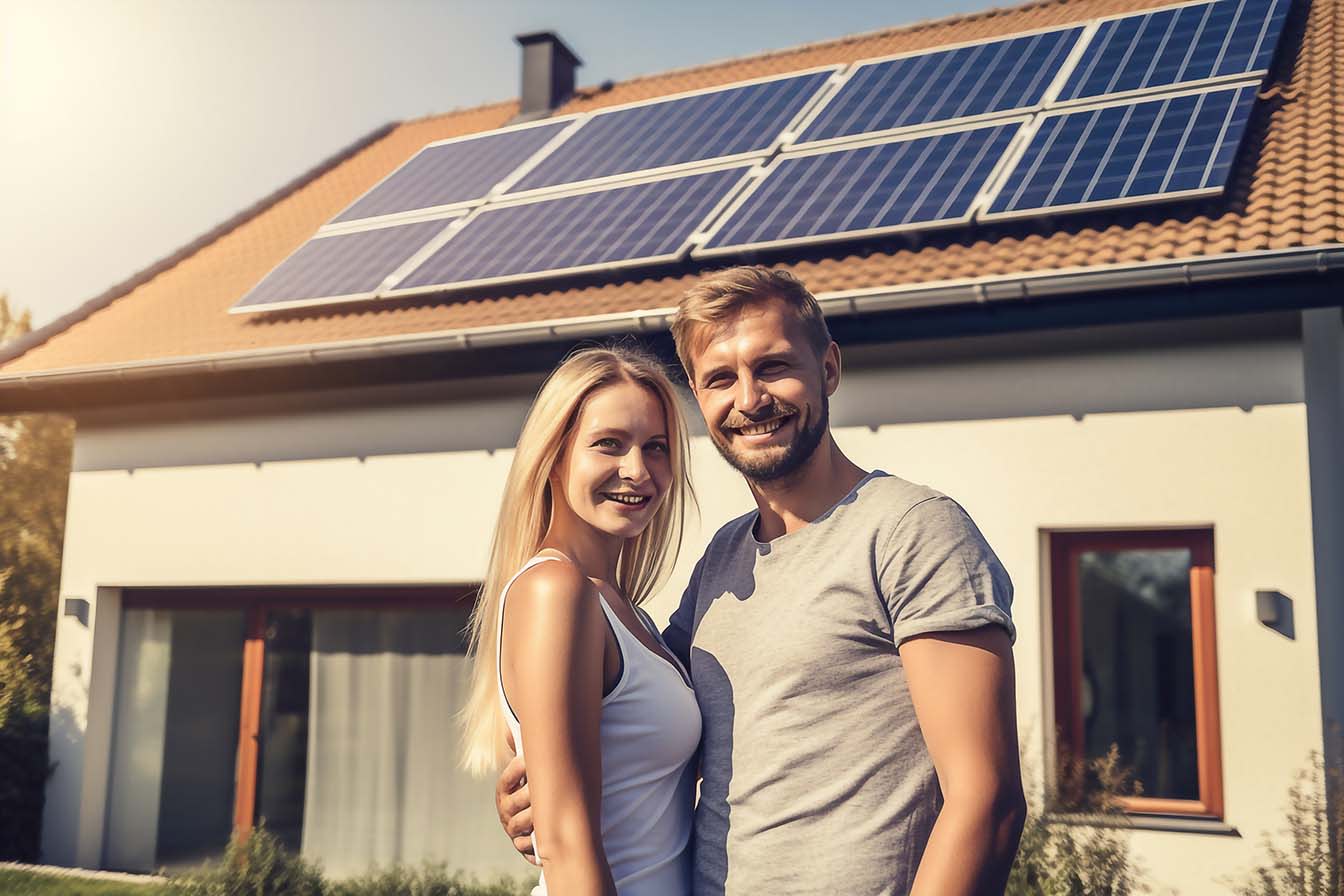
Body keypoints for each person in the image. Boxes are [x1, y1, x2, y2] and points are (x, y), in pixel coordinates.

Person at [497, 266, 1028, 896]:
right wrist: (533, 794)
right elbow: (641, 721)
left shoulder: (911, 531)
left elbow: (987, 803)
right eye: (721, 378)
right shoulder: (723, 560)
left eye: (773, 366)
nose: (749, 399)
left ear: (829, 368)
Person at [461, 345, 702, 896]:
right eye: (609, 445)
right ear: (555, 455)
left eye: (656, 448)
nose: (638, 470)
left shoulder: (627, 613)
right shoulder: (556, 591)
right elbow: (567, 844)